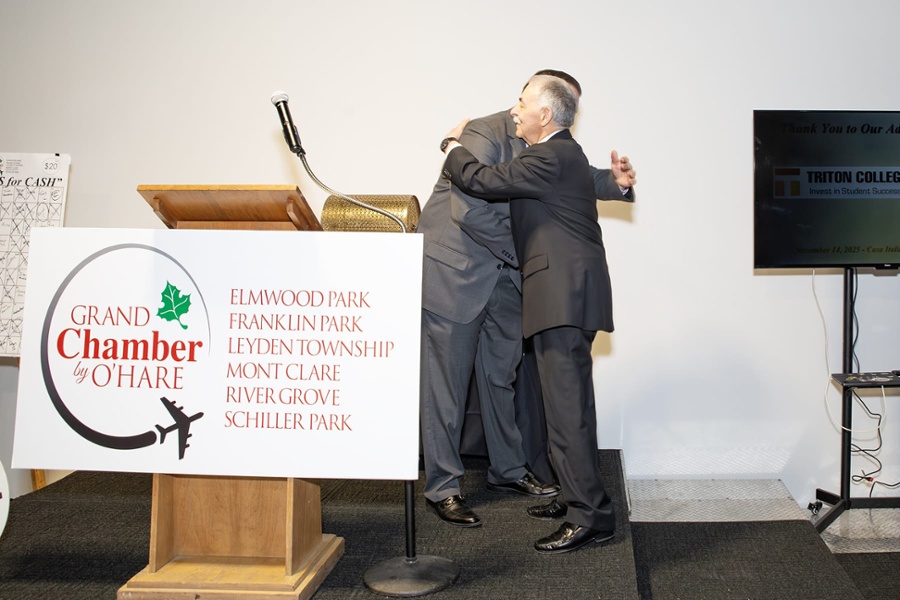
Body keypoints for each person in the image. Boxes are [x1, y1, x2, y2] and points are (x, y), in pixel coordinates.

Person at [418, 70, 635, 529]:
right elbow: (470, 209)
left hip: (507, 279)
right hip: (458, 272)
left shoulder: (547, 144)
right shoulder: (484, 132)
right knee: (447, 386)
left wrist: (615, 183)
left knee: (500, 377)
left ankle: (509, 470)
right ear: (541, 102)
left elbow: (578, 176)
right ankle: (444, 486)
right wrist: (530, 255)